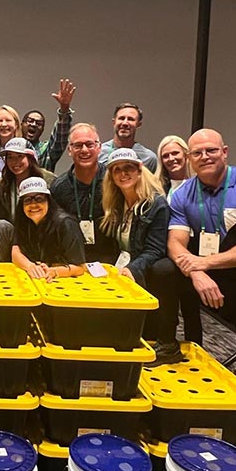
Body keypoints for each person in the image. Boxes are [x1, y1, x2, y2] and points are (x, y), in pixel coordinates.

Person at [167, 128, 236, 394]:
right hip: (207, 273)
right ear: (189, 159)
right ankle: (172, 355)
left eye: (212, 150)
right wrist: (195, 272)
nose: (205, 156)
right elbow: (175, 242)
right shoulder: (183, 194)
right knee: (163, 271)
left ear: (225, 152)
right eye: (198, 152)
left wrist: (204, 264)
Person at [100, 148, 182, 364]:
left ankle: (168, 344)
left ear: (139, 170)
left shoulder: (156, 205)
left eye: (128, 168)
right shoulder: (116, 203)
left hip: (144, 266)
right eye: (117, 170)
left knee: (163, 268)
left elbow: (155, 250)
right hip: (124, 261)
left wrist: (132, 269)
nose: (122, 174)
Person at [50, 122, 119, 264]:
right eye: (78, 145)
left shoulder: (114, 181)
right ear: (69, 150)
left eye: (89, 144)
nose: (84, 150)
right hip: (72, 261)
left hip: (111, 261)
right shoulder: (59, 187)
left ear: (99, 147)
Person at [154, 134, 200, 342]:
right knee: (167, 307)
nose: (171, 159)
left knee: (191, 307)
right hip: (165, 253)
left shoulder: (201, 184)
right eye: (165, 156)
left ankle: (195, 348)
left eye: (175, 153)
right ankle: (168, 344)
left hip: (195, 251)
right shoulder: (157, 186)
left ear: (186, 155)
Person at [12, 177, 85, 282]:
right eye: (27, 200)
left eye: (39, 199)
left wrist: (54, 271)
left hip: (64, 282)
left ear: (48, 201)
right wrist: (30, 266)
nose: (33, 205)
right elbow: (15, 251)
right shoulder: (24, 220)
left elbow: (80, 268)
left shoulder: (66, 224)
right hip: (35, 282)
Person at [0, 138, 56, 223]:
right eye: (10, 157)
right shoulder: (2, 184)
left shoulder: (48, 180)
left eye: (20, 156)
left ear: (30, 158)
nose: (15, 161)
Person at [99, 103, 158, 171]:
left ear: (138, 124)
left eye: (130, 119)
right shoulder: (99, 153)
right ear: (114, 122)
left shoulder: (149, 158)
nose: (125, 123)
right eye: (121, 118)